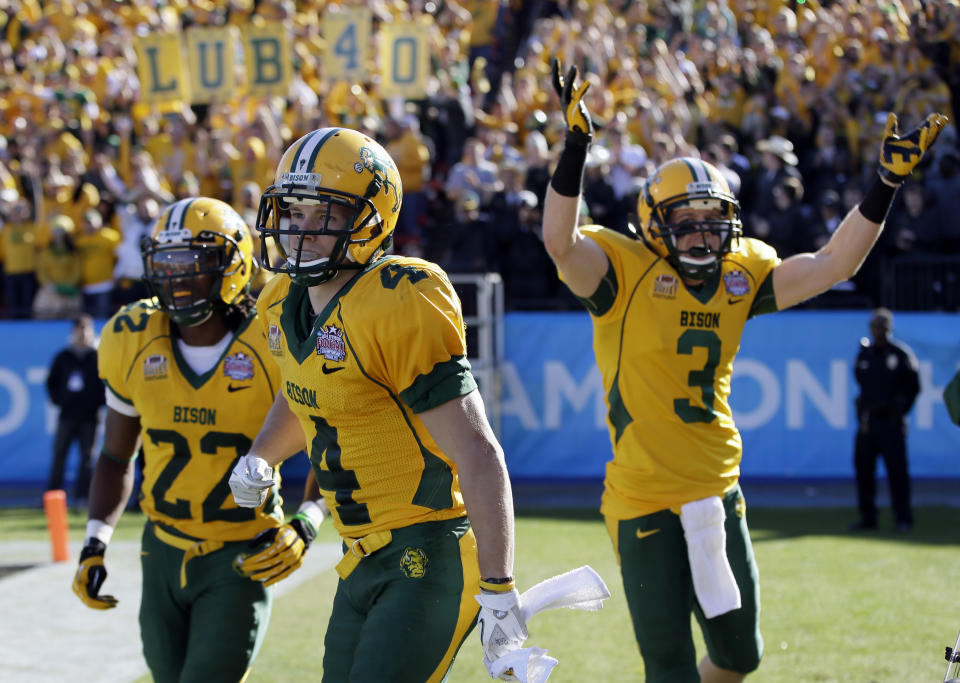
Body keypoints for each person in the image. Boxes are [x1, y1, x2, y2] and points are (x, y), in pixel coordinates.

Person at [541, 59, 947, 682]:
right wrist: (575, 148)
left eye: (712, 220)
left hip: (717, 493)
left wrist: (884, 185)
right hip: (644, 498)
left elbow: (834, 264)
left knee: (741, 656)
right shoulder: (622, 271)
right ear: (654, 223)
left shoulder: (742, 273)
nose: (703, 235)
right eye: (687, 221)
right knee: (670, 667)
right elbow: (559, 243)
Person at [227, 127, 520, 682]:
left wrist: (499, 586)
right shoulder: (279, 302)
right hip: (359, 558)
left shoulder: (398, 297)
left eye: (324, 215)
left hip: (426, 548)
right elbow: (305, 391)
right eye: (293, 211)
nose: (301, 231)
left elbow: (479, 452)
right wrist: (264, 455)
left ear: (369, 218)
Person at [71, 196, 326, 683]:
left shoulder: (274, 336)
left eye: (191, 264)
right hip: (161, 548)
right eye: (165, 264)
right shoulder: (132, 334)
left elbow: (332, 447)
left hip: (241, 553)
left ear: (231, 266)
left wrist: (307, 522)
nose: (176, 278)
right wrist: (94, 543)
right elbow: (115, 456)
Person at [851, 308, 920, 532]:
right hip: (868, 422)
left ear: (888, 328)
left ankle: (903, 518)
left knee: (897, 471)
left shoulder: (900, 354)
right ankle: (868, 517)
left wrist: (900, 409)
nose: (877, 330)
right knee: (863, 470)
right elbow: (860, 380)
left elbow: (913, 386)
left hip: (891, 423)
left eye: (881, 326)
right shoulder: (865, 354)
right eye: (874, 326)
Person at [45, 313, 104, 503]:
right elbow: (51, 382)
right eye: (79, 329)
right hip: (67, 415)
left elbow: (107, 383)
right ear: (73, 331)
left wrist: (98, 402)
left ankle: (82, 496)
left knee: (87, 458)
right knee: (59, 454)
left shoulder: (98, 356)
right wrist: (60, 400)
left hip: (90, 416)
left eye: (86, 329)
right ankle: (52, 496)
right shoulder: (64, 356)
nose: (82, 333)